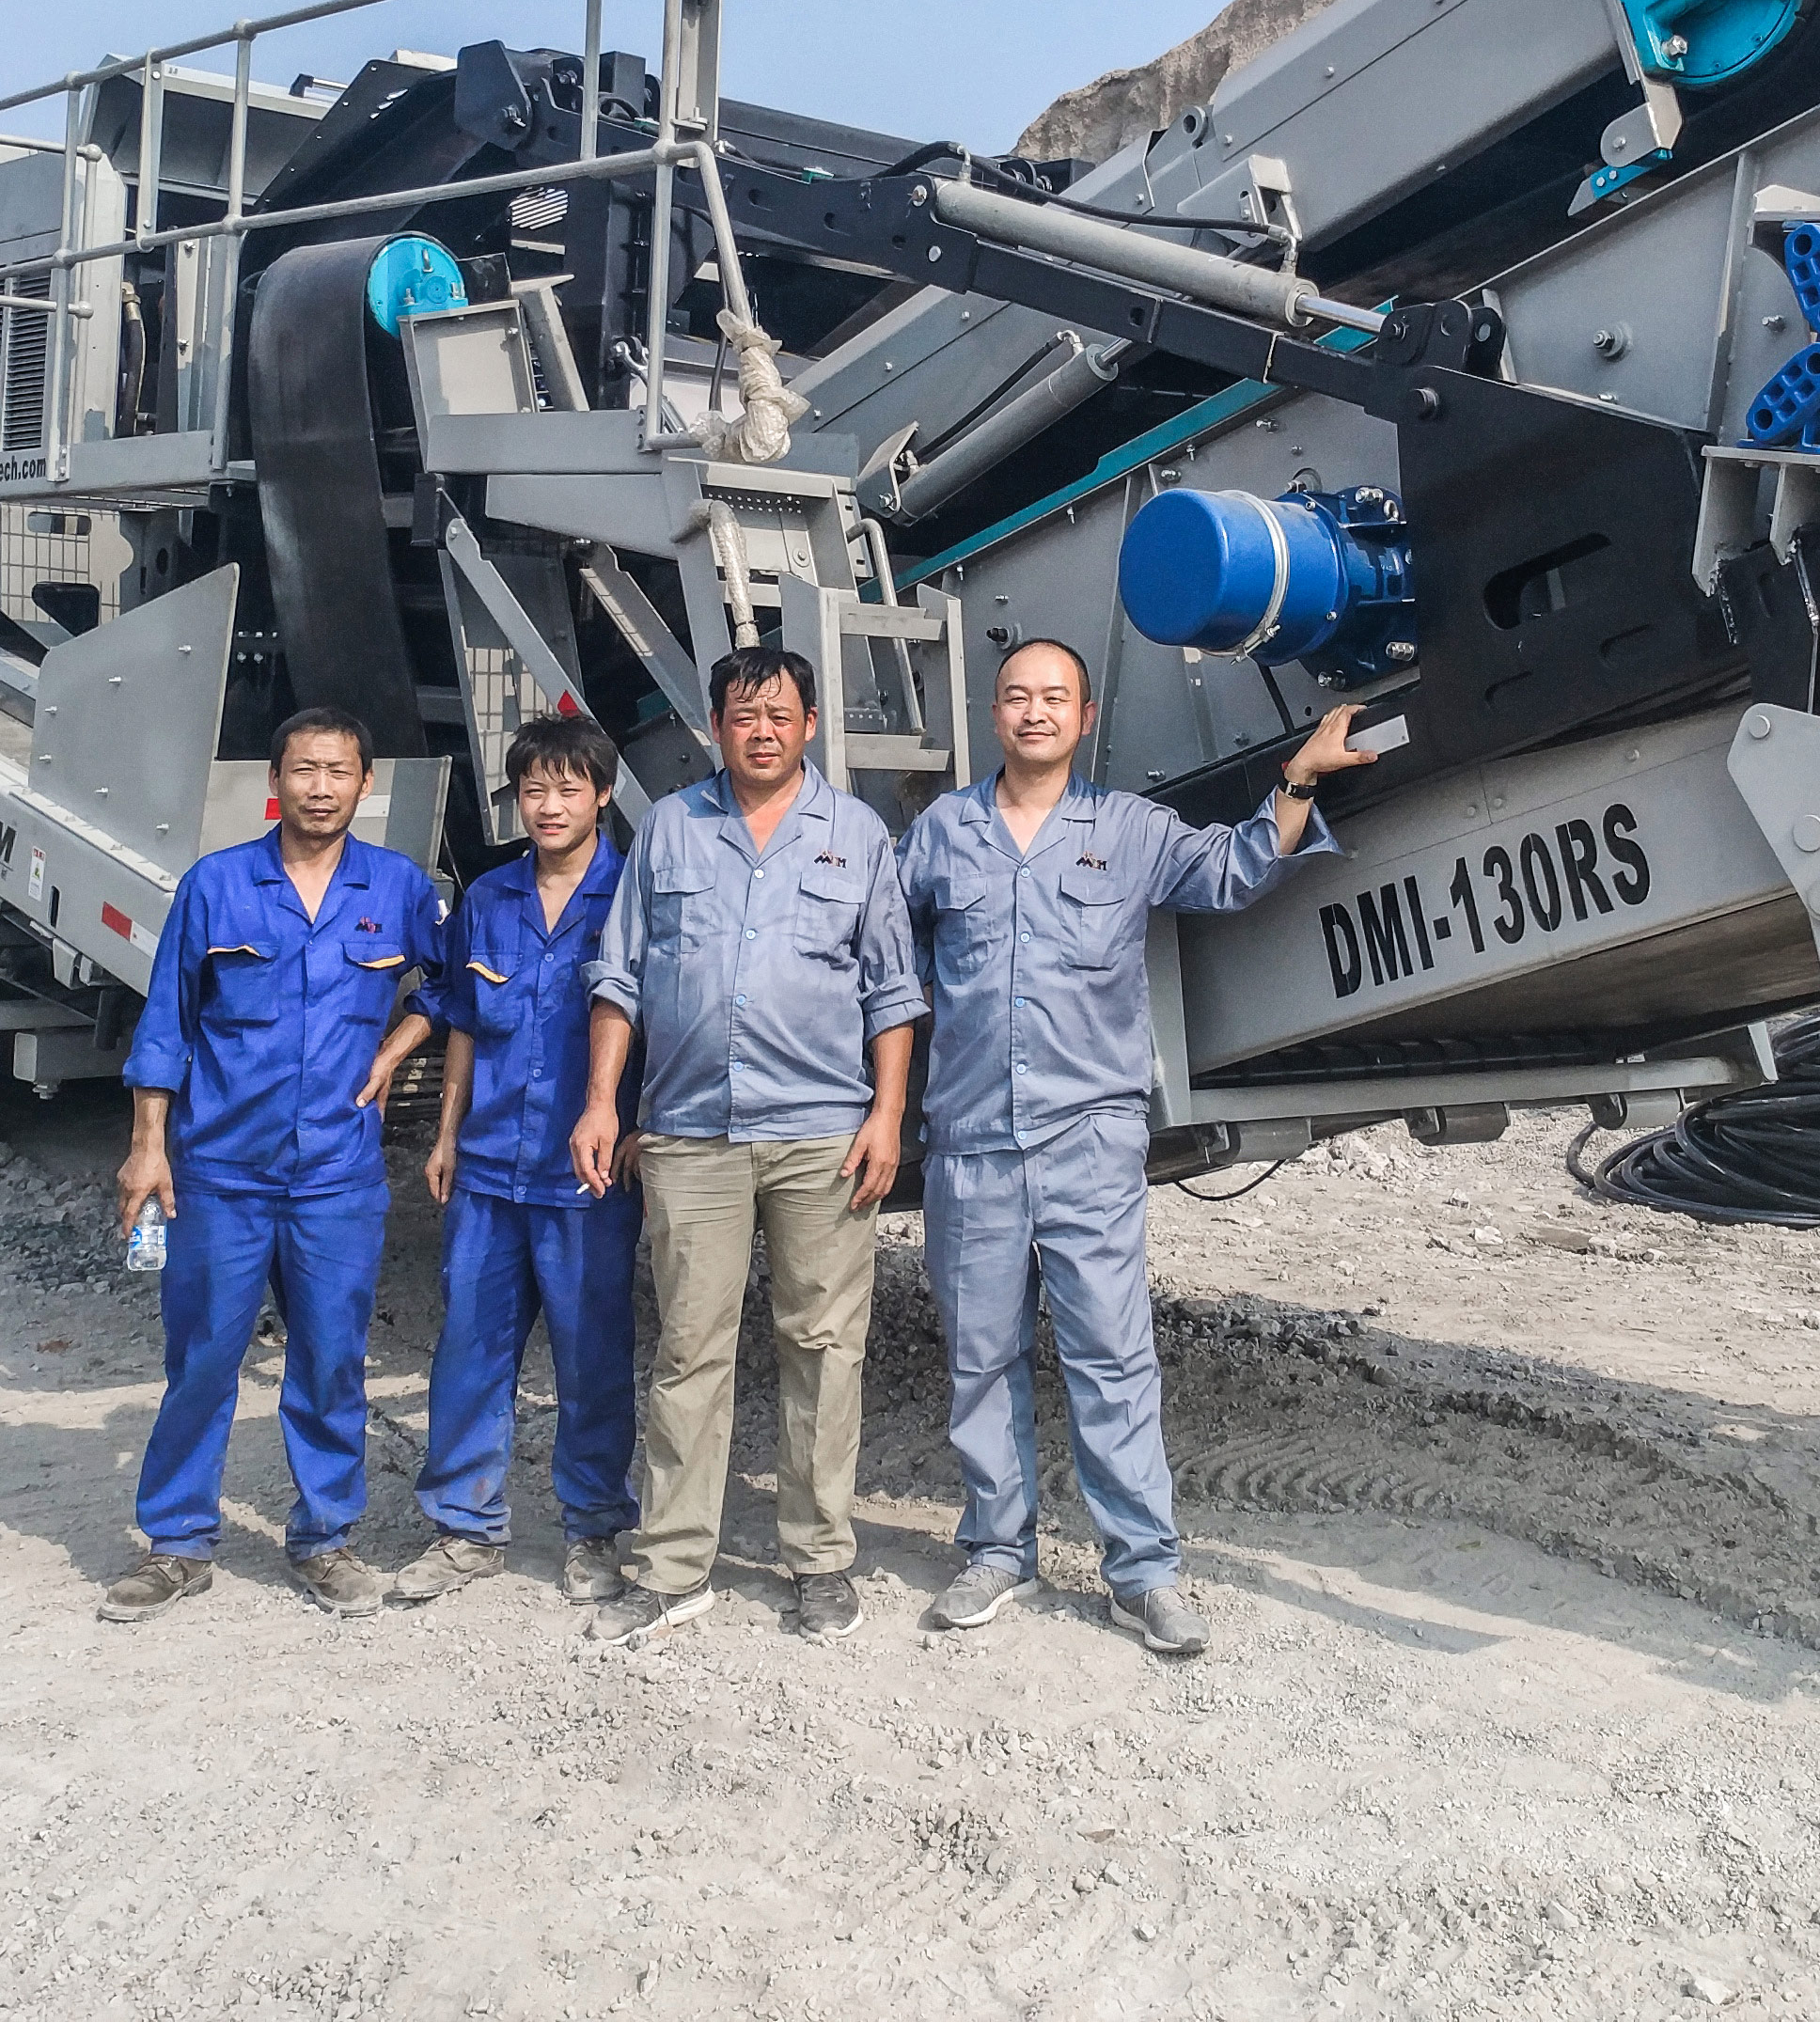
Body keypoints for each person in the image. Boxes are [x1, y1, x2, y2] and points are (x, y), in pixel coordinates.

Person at [896, 640, 1372, 1658]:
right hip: (971, 1142)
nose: (1034, 712)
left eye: (1053, 698)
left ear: (1084, 717)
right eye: (1017, 696)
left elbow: (1235, 870)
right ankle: (996, 1552)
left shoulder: (1129, 830)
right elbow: (889, 961)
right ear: (994, 714)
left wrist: (1297, 777)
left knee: (1111, 1359)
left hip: (1087, 1142)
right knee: (980, 1359)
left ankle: (1142, 1575)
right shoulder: (941, 835)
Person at [573, 645, 922, 1645]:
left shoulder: (855, 834)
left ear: (808, 725)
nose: (760, 732)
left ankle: (818, 1560)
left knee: (824, 1348)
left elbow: (891, 990)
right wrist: (602, 1103)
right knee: (689, 1349)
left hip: (821, 1134)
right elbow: (620, 977)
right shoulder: (670, 829)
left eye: (778, 715)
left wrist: (887, 1115)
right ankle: (672, 1564)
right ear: (716, 727)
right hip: (691, 1134)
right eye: (741, 715)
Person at [102, 707, 442, 1622]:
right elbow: (166, 1023)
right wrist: (147, 1147)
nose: (320, 788)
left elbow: (450, 984)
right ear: (274, 782)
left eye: (337, 772)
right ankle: (177, 1543)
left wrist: (396, 1048)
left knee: (331, 1360)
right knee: (203, 1359)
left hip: (336, 1175)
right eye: (303, 770)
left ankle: (324, 1539)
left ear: (365, 784)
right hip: (220, 1171)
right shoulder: (216, 886)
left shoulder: (398, 888)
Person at [379, 711, 640, 1610]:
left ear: (602, 795)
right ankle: (464, 1527)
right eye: (534, 790)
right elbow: (462, 1020)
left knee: (591, 1357)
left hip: (586, 1178)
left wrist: (641, 1127)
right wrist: (446, 1134)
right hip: (489, 1167)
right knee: (470, 1350)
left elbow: (662, 1020)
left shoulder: (634, 896)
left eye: (569, 788)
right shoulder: (488, 897)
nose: (550, 806)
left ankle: (594, 1529)